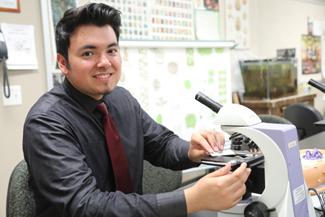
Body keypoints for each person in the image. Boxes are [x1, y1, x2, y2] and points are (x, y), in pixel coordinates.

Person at [23, 3, 251, 217]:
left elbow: (161, 144)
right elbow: (86, 206)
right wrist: (190, 199)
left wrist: (191, 150)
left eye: (111, 50)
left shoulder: (121, 99)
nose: (104, 62)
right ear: (63, 63)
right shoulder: (46, 122)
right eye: (88, 54)